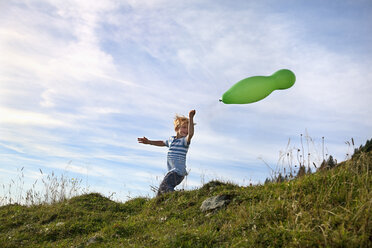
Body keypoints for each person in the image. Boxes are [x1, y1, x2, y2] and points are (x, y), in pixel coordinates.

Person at [138, 110, 196, 196]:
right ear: (177, 128)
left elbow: (190, 134)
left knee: (165, 186)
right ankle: (160, 204)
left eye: (188, 128)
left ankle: (179, 196)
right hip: (172, 172)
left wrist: (191, 118)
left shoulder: (184, 141)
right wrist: (149, 142)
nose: (186, 130)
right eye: (184, 127)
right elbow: (162, 142)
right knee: (161, 191)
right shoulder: (171, 140)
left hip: (178, 172)